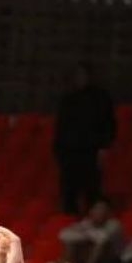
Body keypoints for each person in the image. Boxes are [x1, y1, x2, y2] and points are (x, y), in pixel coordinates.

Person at [52, 63, 114, 215]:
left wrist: (103, 147)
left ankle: (93, 217)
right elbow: (61, 128)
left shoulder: (100, 99)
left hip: (90, 151)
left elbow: (108, 125)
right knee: (69, 191)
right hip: (70, 153)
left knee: (91, 189)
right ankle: (70, 216)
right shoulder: (68, 100)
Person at [55, 197, 125, 263]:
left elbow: (102, 238)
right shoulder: (86, 223)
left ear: (108, 212)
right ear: (91, 211)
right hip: (86, 262)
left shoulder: (114, 225)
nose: (99, 212)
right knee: (70, 243)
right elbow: (64, 234)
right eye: (96, 209)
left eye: (102, 209)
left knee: (99, 244)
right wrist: (87, 235)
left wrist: (85, 235)